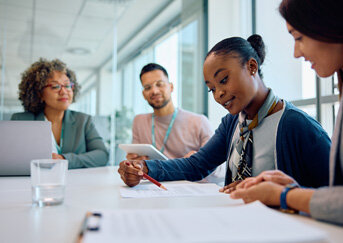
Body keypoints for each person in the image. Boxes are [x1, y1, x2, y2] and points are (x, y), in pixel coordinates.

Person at [118, 34, 331, 190]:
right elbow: (196, 165)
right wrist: (144, 167)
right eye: (211, 89)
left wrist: (285, 195)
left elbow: (333, 197)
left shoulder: (298, 126)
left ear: (252, 67)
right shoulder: (233, 123)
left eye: (223, 80)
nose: (218, 94)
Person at [230, 0, 343, 225]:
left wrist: (285, 196)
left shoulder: (295, 122)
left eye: (299, 37)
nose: (295, 53)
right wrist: (294, 190)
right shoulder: (234, 121)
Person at [127, 63, 225, 182]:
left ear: (171, 87)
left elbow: (219, 170)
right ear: (143, 94)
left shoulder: (198, 122)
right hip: (154, 187)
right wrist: (135, 162)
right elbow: (135, 159)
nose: (154, 91)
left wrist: (198, 160)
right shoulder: (139, 121)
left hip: (190, 190)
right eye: (147, 87)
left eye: (159, 84)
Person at [11, 58, 109, 169]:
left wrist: (64, 159)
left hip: (76, 183)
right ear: (39, 93)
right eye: (55, 86)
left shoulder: (83, 120)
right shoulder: (21, 121)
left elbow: (102, 155)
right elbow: (11, 159)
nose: (64, 92)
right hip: (34, 182)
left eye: (67, 86)